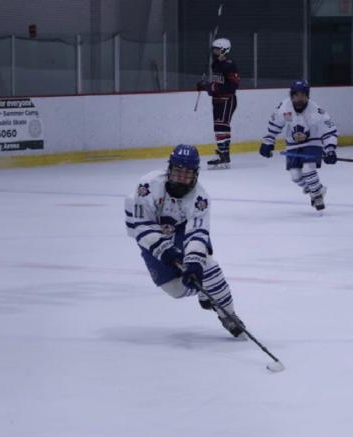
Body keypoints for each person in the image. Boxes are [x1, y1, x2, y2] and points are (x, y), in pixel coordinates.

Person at [124, 144, 244, 337]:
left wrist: (194, 264)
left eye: (187, 174)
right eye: (177, 172)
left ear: (196, 174)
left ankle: (227, 314)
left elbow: (197, 233)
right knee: (175, 289)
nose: (181, 178)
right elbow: (141, 227)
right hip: (151, 238)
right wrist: (166, 252)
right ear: (169, 169)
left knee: (208, 268)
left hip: (181, 231)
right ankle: (204, 291)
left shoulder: (200, 198)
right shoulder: (147, 186)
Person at [259, 80, 336, 212]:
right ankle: (318, 189)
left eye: (302, 95)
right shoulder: (284, 108)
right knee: (295, 175)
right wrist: (268, 142)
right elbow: (274, 125)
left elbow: (329, 131)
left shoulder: (316, 111)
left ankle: (316, 196)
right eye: (296, 95)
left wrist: (330, 149)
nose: (299, 99)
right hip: (293, 144)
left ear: (307, 95)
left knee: (308, 170)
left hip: (313, 141)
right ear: (291, 95)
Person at [196, 38, 240, 169]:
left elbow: (232, 86)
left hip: (227, 100)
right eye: (214, 49)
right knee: (220, 127)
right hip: (217, 101)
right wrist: (205, 86)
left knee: (221, 126)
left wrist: (211, 88)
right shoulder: (215, 64)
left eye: (217, 49)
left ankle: (223, 154)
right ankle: (224, 154)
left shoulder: (230, 65)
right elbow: (217, 83)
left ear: (225, 50)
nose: (215, 52)